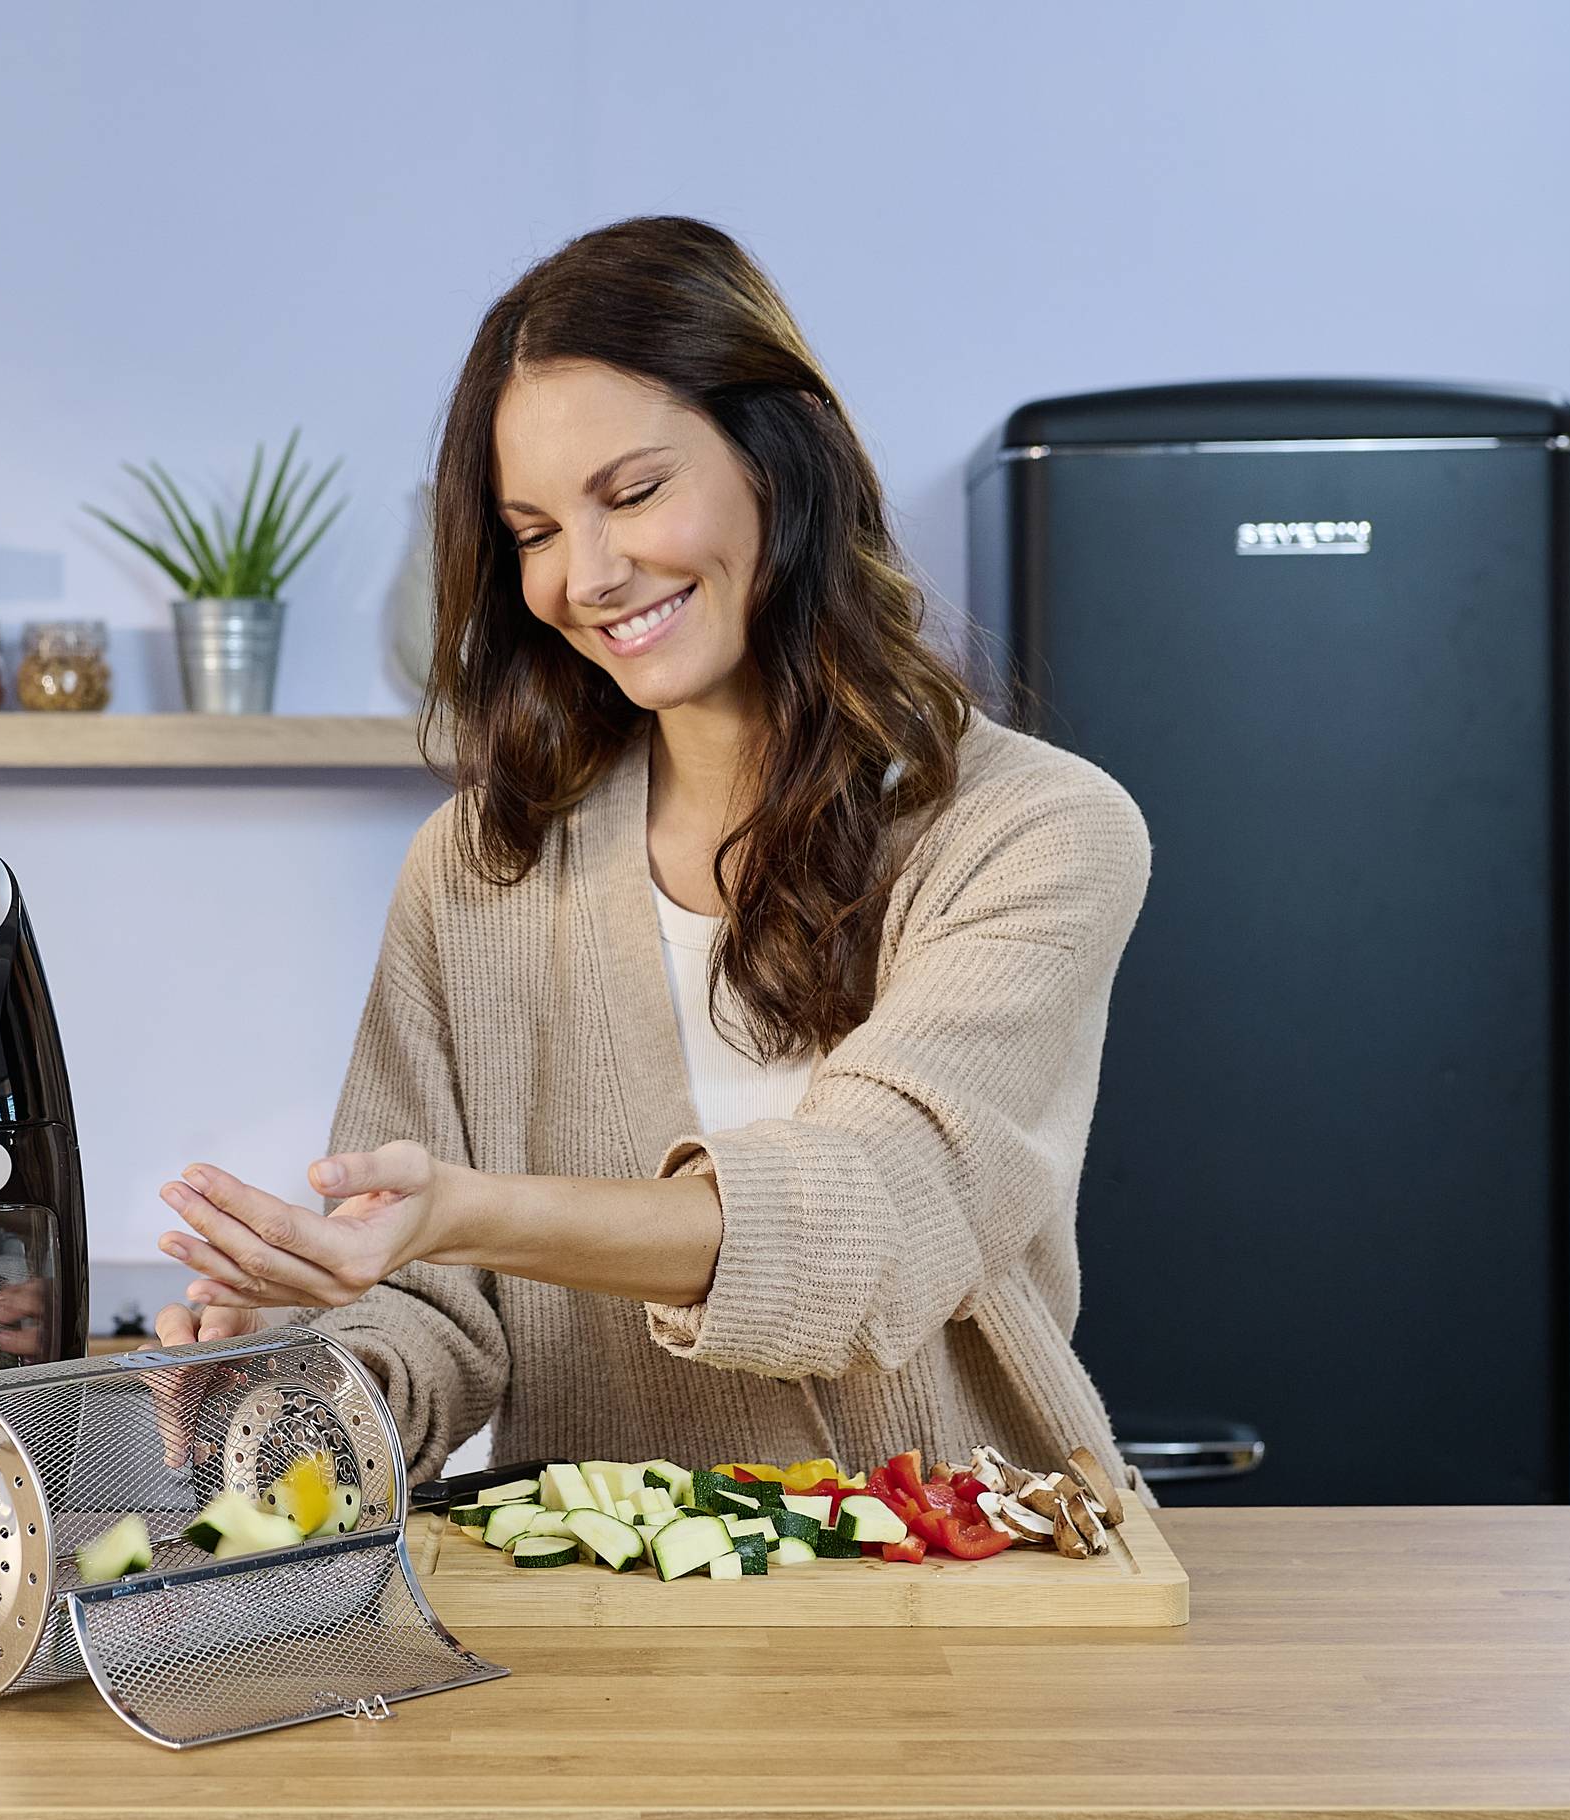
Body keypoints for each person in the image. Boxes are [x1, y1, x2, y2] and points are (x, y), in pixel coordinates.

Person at [150, 215, 1151, 1493]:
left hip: (979, 1575)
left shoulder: (1037, 832)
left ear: (778, 464)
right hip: (616, 1617)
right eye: (534, 533)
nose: (593, 574)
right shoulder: (476, 869)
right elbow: (427, 1323)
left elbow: (878, 1217)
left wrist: (467, 1210)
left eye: (633, 493)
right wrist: (276, 1390)